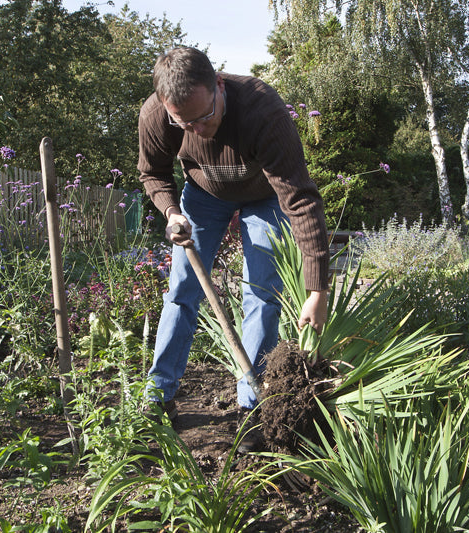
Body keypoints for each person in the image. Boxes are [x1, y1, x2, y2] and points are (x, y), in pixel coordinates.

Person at [137, 46, 329, 452]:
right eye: (182, 122)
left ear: (219, 85)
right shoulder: (157, 115)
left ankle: (252, 407)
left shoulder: (263, 112)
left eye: (204, 117)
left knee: (261, 291)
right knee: (182, 290)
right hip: (202, 196)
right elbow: (152, 173)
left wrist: (317, 290)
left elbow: (301, 199)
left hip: (264, 197)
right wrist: (172, 212)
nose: (195, 130)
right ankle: (159, 397)